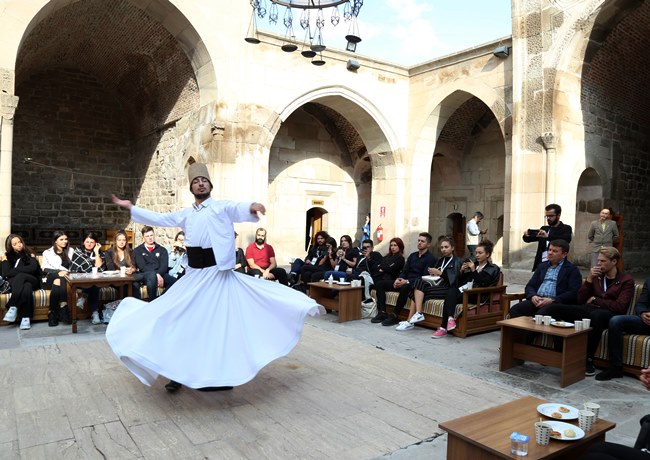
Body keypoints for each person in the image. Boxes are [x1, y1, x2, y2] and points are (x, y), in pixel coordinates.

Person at [107, 162, 323, 393]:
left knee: (218, 327)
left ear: (210, 184)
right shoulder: (186, 214)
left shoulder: (221, 207)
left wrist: (252, 206)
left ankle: (221, 375)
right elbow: (161, 218)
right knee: (179, 320)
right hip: (194, 276)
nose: (200, 184)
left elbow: (238, 208)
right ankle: (177, 372)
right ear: (191, 188)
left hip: (218, 276)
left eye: (204, 181)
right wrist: (132, 208)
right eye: (196, 182)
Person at [540, 247, 634, 376]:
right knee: (553, 308)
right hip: (590, 310)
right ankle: (560, 351)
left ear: (614, 262)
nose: (599, 264)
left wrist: (596, 299)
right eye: (598, 260)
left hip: (610, 314)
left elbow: (620, 306)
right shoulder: (597, 276)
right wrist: (589, 280)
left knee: (595, 316)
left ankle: (587, 359)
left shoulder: (626, 280)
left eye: (603, 261)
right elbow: (580, 300)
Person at [428, 239, 501, 338]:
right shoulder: (473, 264)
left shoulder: (493, 268)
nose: (477, 255)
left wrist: (474, 270)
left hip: (479, 295)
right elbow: (460, 282)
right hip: (466, 292)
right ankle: (449, 320)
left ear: (487, 254)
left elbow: (483, 283)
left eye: (480, 253)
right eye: (476, 253)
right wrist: (461, 271)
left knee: (450, 296)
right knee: (451, 291)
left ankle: (443, 327)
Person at [399, 236, 463, 334]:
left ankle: (411, 319)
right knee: (418, 283)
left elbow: (454, 279)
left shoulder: (457, 261)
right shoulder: (441, 260)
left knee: (417, 289)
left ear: (452, 248)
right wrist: (432, 273)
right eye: (442, 248)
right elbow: (435, 274)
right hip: (436, 285)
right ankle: (415, 316)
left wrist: (440, 273)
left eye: (446, 247)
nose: (444, 250)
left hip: (448, 288)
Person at [371, 232, 436, 326]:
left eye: (422, 241)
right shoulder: (413, 255)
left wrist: (407, 281)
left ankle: (394, 315)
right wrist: (399, 279)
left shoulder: (430, 259)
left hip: (415, 284)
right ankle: (382, 312)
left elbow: (424, 277)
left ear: (428, 244)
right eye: (418, 240)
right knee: (380, 284)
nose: (419, 243)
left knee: (405, 287)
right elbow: (405, 271)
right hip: (404, 281)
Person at [508, 239, 582, 318]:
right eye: (549, 250)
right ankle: (519, 331)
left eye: (554, 251)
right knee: (515, 309)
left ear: (564, 254)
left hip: (555, 303)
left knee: (540, 315)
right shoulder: (542, 266)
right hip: (537, 300)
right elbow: (530, 286)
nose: (550, 253)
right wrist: (533, 296)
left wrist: (553, 300)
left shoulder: (572, 269)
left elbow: (573, 292)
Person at [596, 277, 650, 381]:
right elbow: (641, 303)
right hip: (646, 321)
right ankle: (615, 367)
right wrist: (643, 312)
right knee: (616, 321)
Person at [1, 234, 41, 330]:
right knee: (26, 286)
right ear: (10, 246)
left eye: (19, 242)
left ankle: (13, 305)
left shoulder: (29, 253)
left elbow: (33, 268)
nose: (19, 245)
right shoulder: (6, 257)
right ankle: (25, 319)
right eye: (15, 244)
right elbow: (6, 272)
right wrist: (24, 269)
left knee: (21, 276)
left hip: (33, 280)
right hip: (17, 283)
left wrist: (16, 271)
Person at [70, 231, 107, 325]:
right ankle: (95, 313)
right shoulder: (78, 251)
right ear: (83, 242)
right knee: (92, 283)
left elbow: (99, 268)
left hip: (94, 280)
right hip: (79, 279)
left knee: (93, 284)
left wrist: (97, 252)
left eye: (92, 242)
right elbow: (75, 268)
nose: (89, 244)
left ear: (96, 243)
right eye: (87, 242)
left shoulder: (99, 252)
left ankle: (83, 297)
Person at [523, 203, 573, 271]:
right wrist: (526, 235)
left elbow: (566, 239)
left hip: (557, 264)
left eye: (551, 216)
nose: (548, 218)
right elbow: (529, 239)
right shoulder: (544, 228)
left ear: (558, 216)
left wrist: (548, 236)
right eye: (547, 216)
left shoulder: (566, 228)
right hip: (541, 263)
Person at [133, 226, 176, 301]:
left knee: (176, 282)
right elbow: (142, 267)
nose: (150, 238)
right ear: (143, 237)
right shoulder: (138, 250)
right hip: (145, 275)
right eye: (147, 236)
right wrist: (156, 275)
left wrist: (158, 274)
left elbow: (164, 266)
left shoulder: (162, 250)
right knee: (152, 277)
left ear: (154, 235)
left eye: (151, 235)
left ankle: (159, 300)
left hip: (161, 274)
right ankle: (152, 301)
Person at [41, 230, 74, 326]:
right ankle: (63, 306)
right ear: (55, 241)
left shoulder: (71, 251)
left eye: (66, 239)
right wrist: (58, 272)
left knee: (59, 280)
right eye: (61, 239)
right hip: (49, 278)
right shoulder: (47, 252)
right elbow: (44, 268)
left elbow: (75, 266)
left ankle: (52, 313)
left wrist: (64, 272)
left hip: (65, 278)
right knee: (59, 276)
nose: (65, 241)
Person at [105, 229, 142, 298]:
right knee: (125, 286)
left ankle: (137, 306)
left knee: (136, 284)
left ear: (126, 241)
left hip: (129, 278)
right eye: (119, 240)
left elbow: (134, 266)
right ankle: (125, 306)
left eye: (124, 240)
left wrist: (132, 270)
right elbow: (110, 268)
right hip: (116, 279)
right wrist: (120, 271)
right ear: (115, 241)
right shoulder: (109, 252)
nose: (121, 242)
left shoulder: (131, 251)